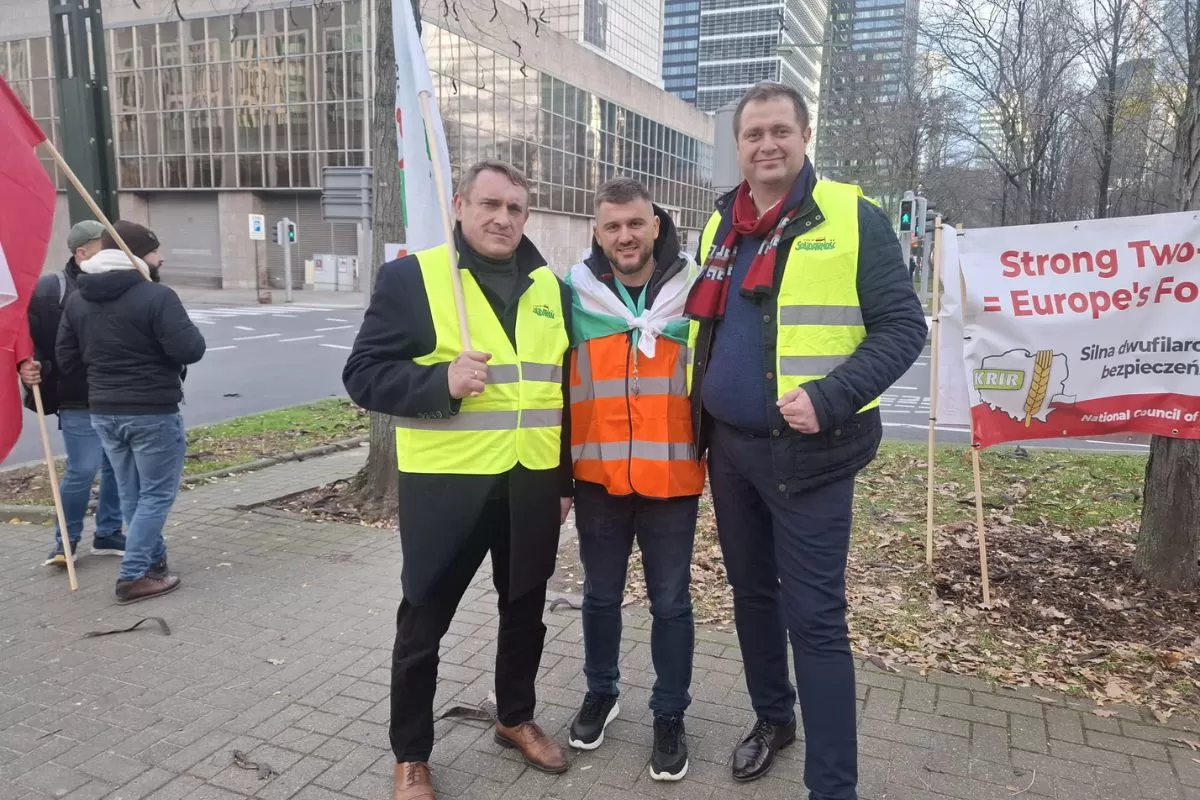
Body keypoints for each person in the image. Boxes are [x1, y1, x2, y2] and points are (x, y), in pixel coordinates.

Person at [686, 82, 926, 798]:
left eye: (780, 131)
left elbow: (904, 329)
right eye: (753, 133)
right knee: (751, 595)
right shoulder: (719, 226)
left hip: (813, 457)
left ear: (805, 133)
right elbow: (709, 332)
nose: (767, 144)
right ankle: (772, 720)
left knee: (815, 619)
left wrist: (831, 397)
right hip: (730, 452)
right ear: (739, 144)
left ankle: (832, 786)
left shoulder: (852, 217)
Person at [342, 160, 575, 800]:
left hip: (529, 483)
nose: (503, 219)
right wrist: (438, 383)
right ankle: (411, 755)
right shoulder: (413, 279)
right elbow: (362, 376)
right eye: (490, 205)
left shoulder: (550, 289)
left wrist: (563, 483)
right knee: (424, 623)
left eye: (516, 209)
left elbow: (559, 395)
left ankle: (514, 717)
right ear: (461, 204)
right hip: (447, 486)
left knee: (525, 613)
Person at [563, 177, 704, 781]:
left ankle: (669, 714)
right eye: (612, 226)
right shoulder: (577, 294)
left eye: (635, 224)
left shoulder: (695, 291)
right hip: (597, 476)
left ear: (656, 225)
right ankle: (603, 691)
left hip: (673, 478)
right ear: (598, 232)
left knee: (671, 603)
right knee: (599, 596)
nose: (625, 235)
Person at [57, 220, 206, 604]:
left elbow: (67, 360)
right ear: (138, 255)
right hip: (152, 411)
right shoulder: (156, 296)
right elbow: (190, 349)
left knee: (131, 494)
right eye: (156, 251)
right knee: (155, 495)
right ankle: (134, 574)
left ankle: (154, 562)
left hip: (104, 411)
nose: (162, 257)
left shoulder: (78, 298)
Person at [17, 220, 125, 567]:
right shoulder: (52, 290)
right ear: (82, 252)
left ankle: (108, 533)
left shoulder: (119, 283)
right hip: (77, 395)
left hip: (119, 393)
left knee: (115, 467)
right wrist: (25, 365)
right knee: (83, 468)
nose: (112, 251)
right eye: (102, 245)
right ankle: (65, 540)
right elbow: (26, 336)